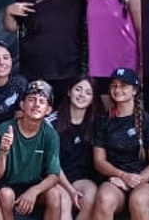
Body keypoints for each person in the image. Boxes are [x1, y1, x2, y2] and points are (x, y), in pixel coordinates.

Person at [4, 0, 86, 104]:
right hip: (34, 70)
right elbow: (11, 27)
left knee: (66, 116)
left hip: (69, 71)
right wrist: (8, 12)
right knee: (34, 113)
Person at [63, 0, 141, 105]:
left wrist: (141, 67)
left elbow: (142, 32)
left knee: (127, 115)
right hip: (100, 70)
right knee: (106, 116)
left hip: (127, 67)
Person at [92, 68, 149, 220]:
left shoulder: (148, 121)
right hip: (114, 180)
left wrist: (133, 181)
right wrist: (122, 176)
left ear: (134, 90)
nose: (117, 89)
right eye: (114, 85)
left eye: (123, 85)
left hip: (144, 181)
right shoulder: (103, 121)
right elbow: (99, 161)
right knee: (105, 198)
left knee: (139, 201)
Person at [0, 80, 64, 220]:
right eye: (31, 100)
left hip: (35, 186)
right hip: (9, 185)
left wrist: (34, 191)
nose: (36, 105)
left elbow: (54, 175)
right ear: (22, 105)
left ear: (48, 110)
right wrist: (3, 153)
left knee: (54, 194)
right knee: (6, 195)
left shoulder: (50, 135)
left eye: (42, 102)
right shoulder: (5, 129)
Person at [52, 75, 101, 220]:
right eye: (78, 89)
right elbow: (52, 164)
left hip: (81, 179)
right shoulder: (51, 123)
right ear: (69, 92)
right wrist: (69, 189)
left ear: (92, 99)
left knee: (90, 197)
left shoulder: (96, 124)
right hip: (55, 179)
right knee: (64, 203)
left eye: (88, 92)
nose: (82, 95)